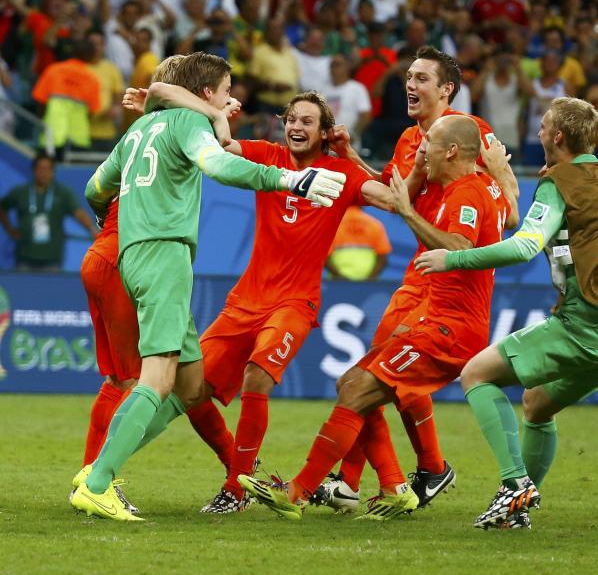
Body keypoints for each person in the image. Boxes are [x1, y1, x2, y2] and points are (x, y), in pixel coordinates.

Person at [69, 51, 347, 522]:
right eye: (224, 91)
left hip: (132, 255)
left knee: (192, 386)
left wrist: (106, 216)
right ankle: (98, 482)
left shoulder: (138, 129)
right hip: (164, 256)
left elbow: (96, 186)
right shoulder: (186, 123)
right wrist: (289, 179)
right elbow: (218, 166)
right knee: (155, 378)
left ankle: (101, 467)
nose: (229, 99)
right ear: (204, 95)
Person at [239, 114, 506, 521]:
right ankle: (396, 486)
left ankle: (298, 492)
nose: (421, 149)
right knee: (352, 383)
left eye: (429, 143)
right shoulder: (477, 187)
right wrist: (502, 175)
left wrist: (409, 214)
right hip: (433, 317)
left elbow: (458, 246)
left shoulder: (466, 194)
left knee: (359, 389)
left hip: (449, 331)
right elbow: (506, 215)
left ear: (452, 151)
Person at [415, 97, 598, 530]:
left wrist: (453, 259)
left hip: (583, 325)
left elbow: (525, 245)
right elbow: (588, 236)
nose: (537, 133)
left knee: (476, 374)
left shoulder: (560, 184)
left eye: (542, 127)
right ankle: (515, 510)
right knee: (537, 406)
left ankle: (514, 484)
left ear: (557, 137)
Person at [310, 46, 518, 514]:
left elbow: (502, 204)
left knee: (380, 373)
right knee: (381, 368)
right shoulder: (409, 140)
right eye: (409, 76)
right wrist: (350, 157)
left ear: (446, 89)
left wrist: (507, 185)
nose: (411, 84)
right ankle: (415, 470)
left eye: (422, 77)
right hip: (420, 269)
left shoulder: (472, 134)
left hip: (450, 276)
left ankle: (365, 477)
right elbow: (391, 196)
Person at [0, 153, 97, 271]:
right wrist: (9, 229)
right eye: (40, 168)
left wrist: (92, 230)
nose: (44, 173)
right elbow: (2, 207)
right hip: (24, 256)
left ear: (53, 171)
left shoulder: (62, 193)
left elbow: (79, 213)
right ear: (34, 170)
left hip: (52, 258)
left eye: (47, 169)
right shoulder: (21, 192)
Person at [326, 206, 392, 281]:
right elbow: (383, 258)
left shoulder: (332, 224)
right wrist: (368, 280)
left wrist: (341, 279)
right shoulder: (374, 224)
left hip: (337, 284)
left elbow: (324, 258)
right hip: (368, 286)